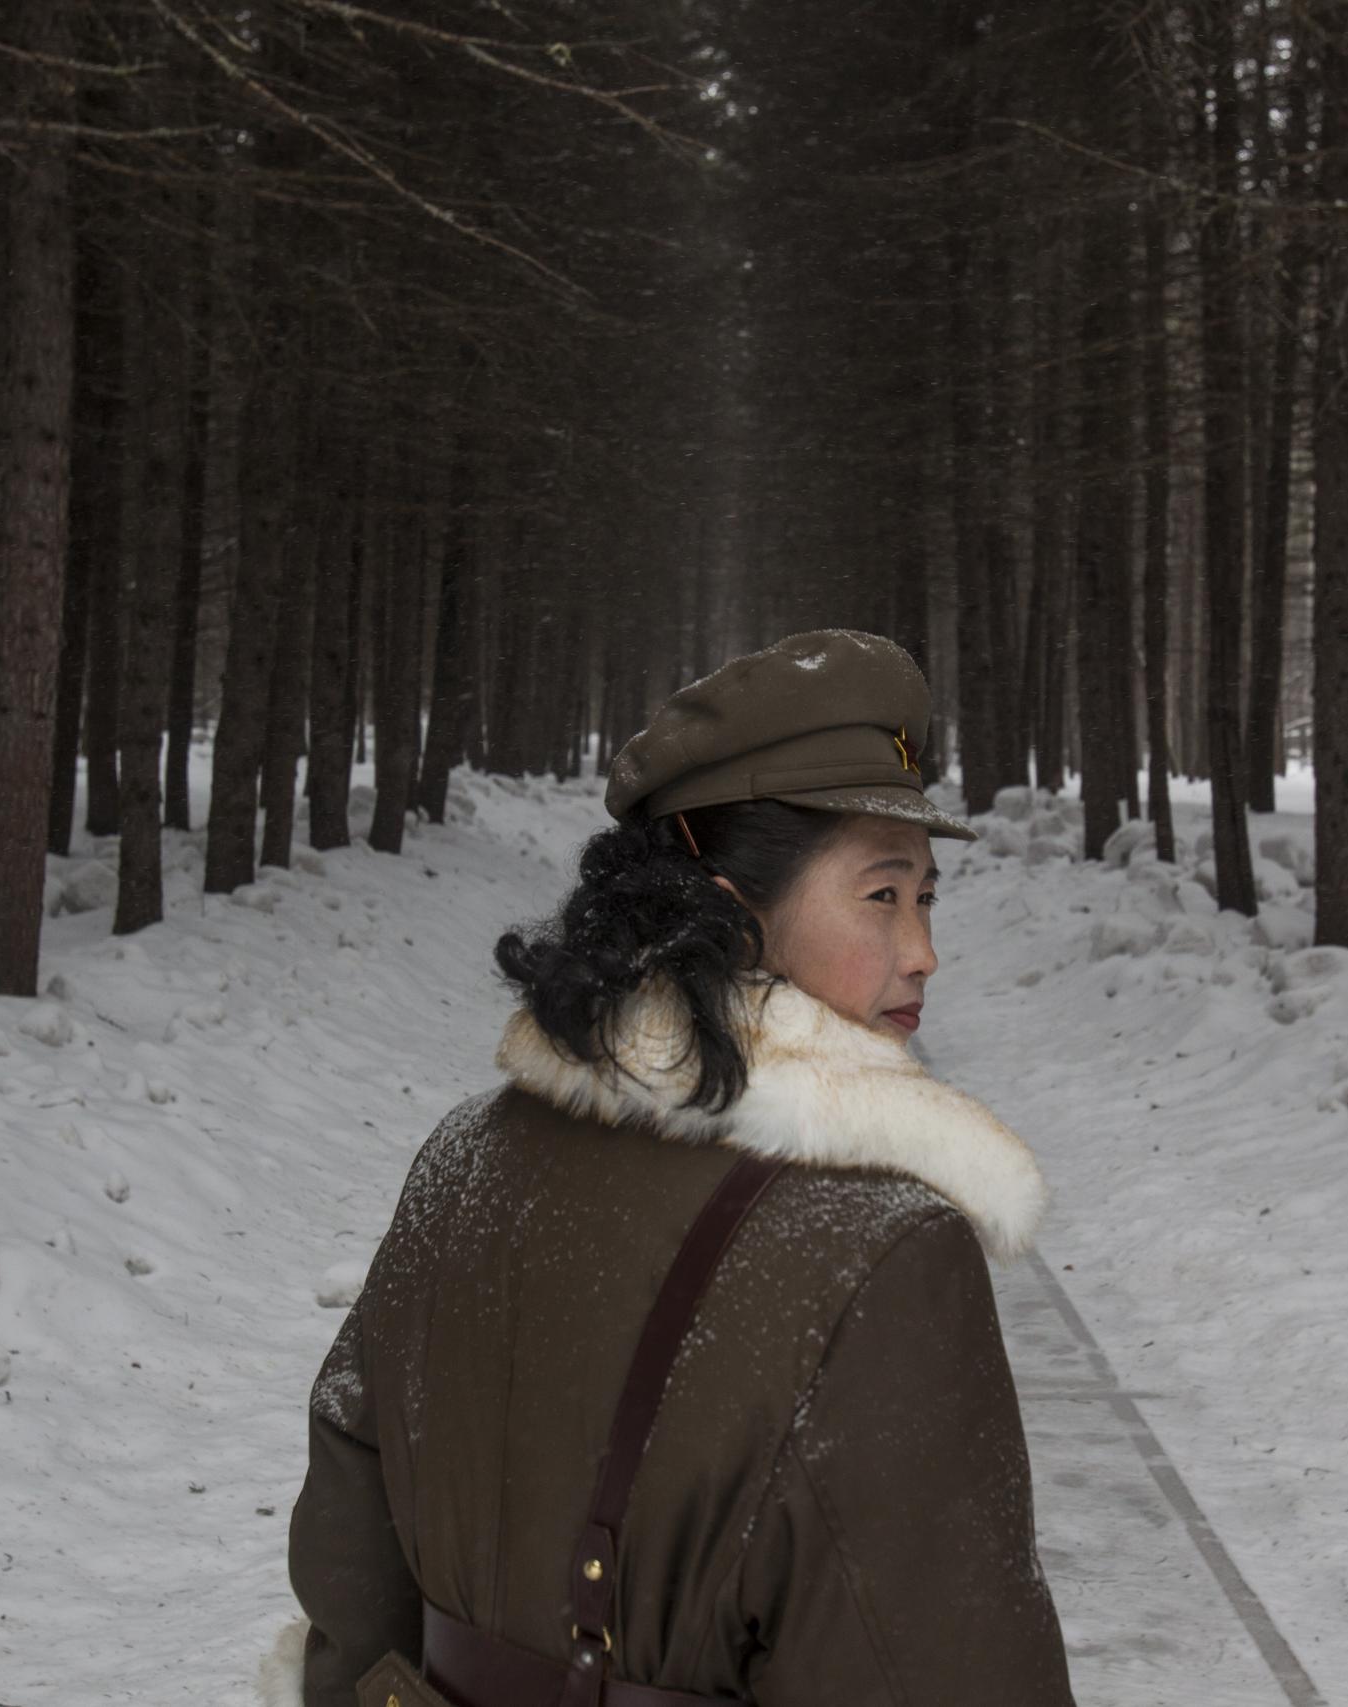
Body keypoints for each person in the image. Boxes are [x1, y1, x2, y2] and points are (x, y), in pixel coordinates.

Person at [288, 629, 1077, 1706]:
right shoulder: (881, 1255)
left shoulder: (464, 1158)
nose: (923, 952)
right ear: (729, 910)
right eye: (881, 895)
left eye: (928, 898)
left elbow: (350, 1555)